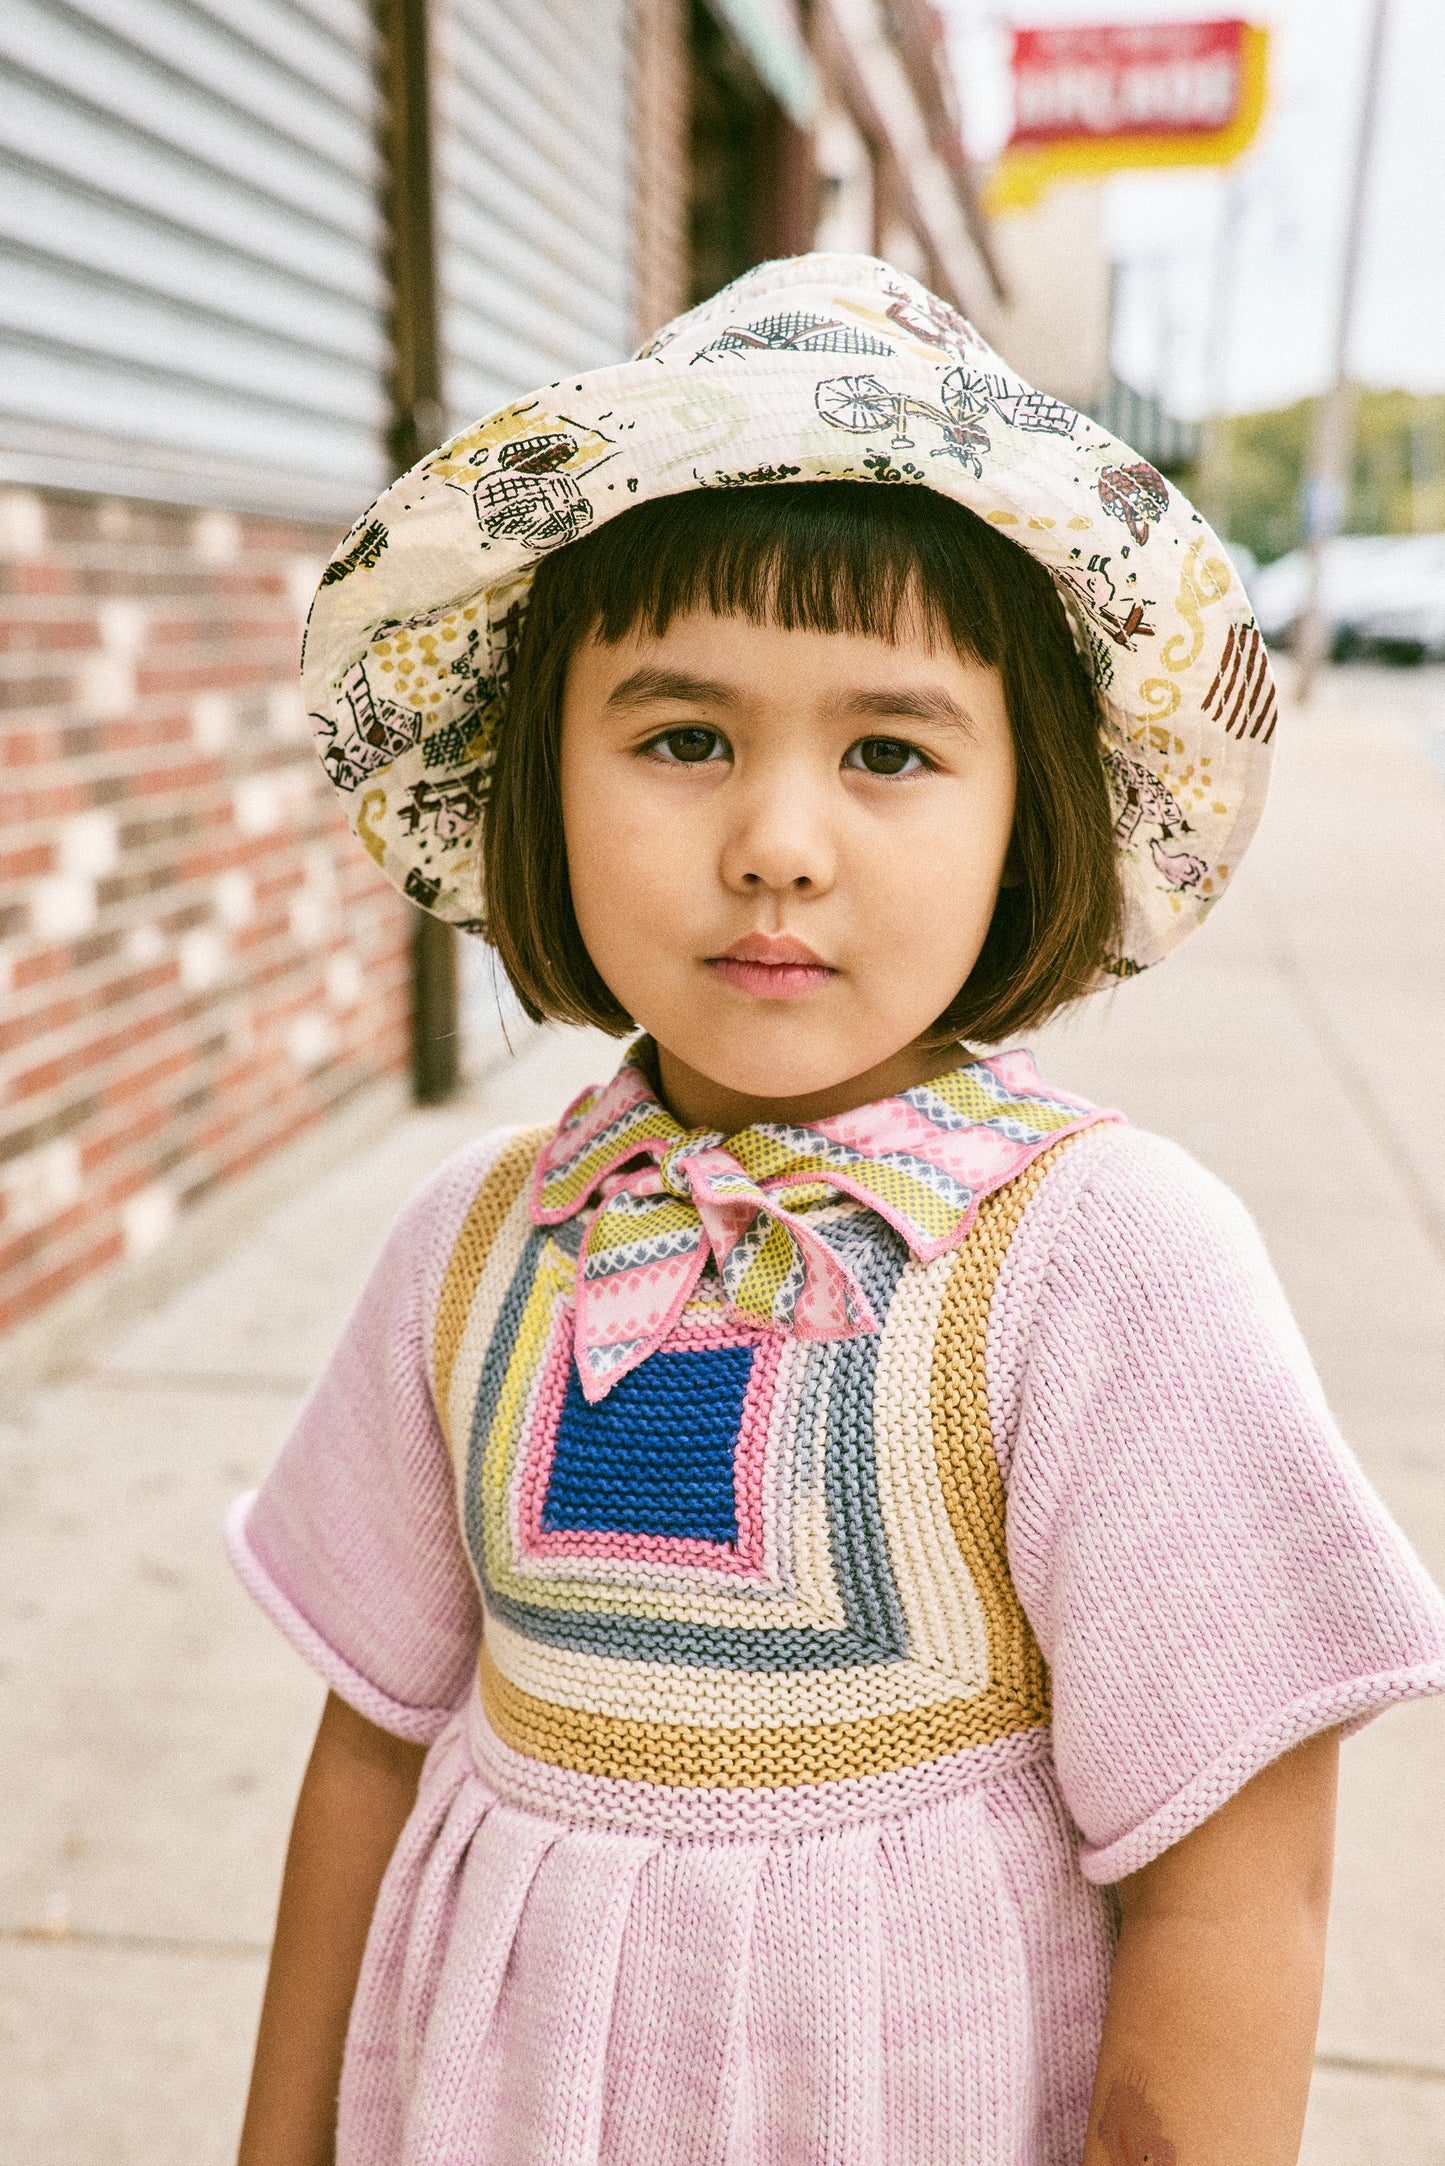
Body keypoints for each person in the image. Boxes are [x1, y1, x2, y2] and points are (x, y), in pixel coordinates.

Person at [228, 255, 1445, 2166]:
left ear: (1027, 803)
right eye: (680, 735)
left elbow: (1232, 1883)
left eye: (887, 749)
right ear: (539, 778)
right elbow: (370, 1747)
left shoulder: (1095, 1261)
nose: (777, 839)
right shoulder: (473, 1251)